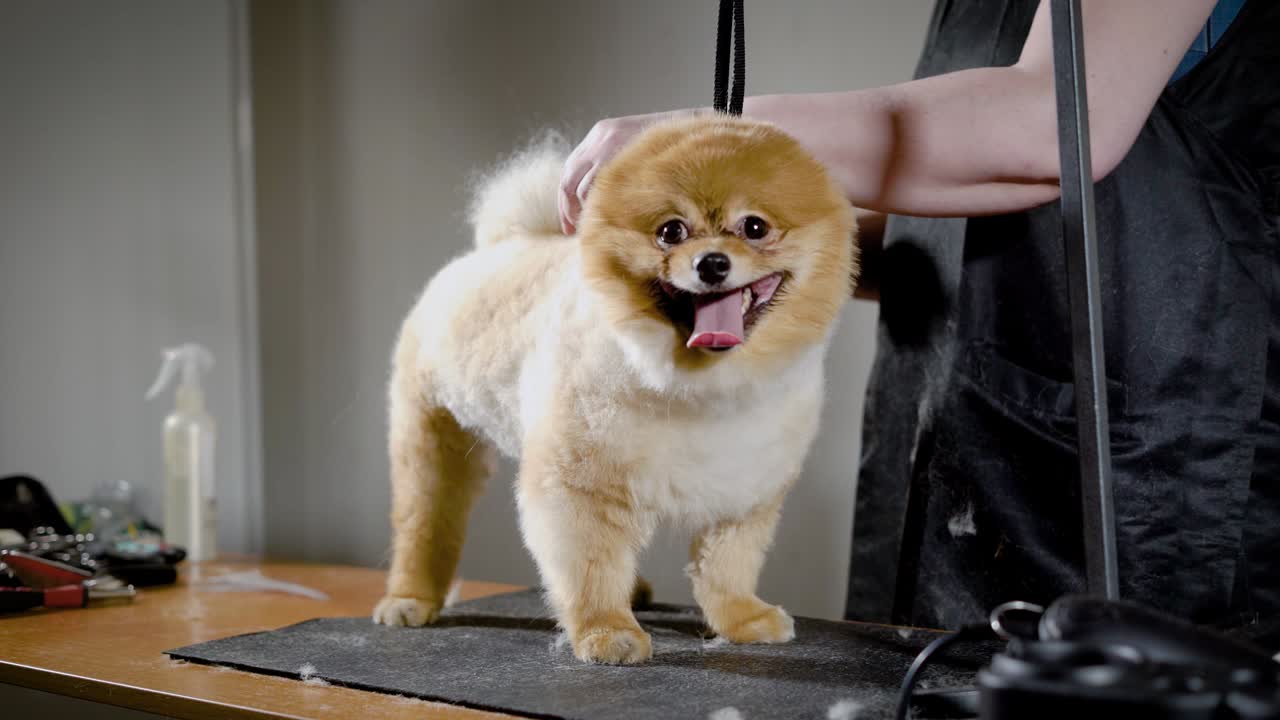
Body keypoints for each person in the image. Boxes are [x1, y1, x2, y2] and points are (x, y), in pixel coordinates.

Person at [558, 0, 1280, 630]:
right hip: (949, 435)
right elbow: (971, 217)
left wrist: (710, 144)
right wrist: (748, 265)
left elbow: (1055, 124)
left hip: (1161, 471)